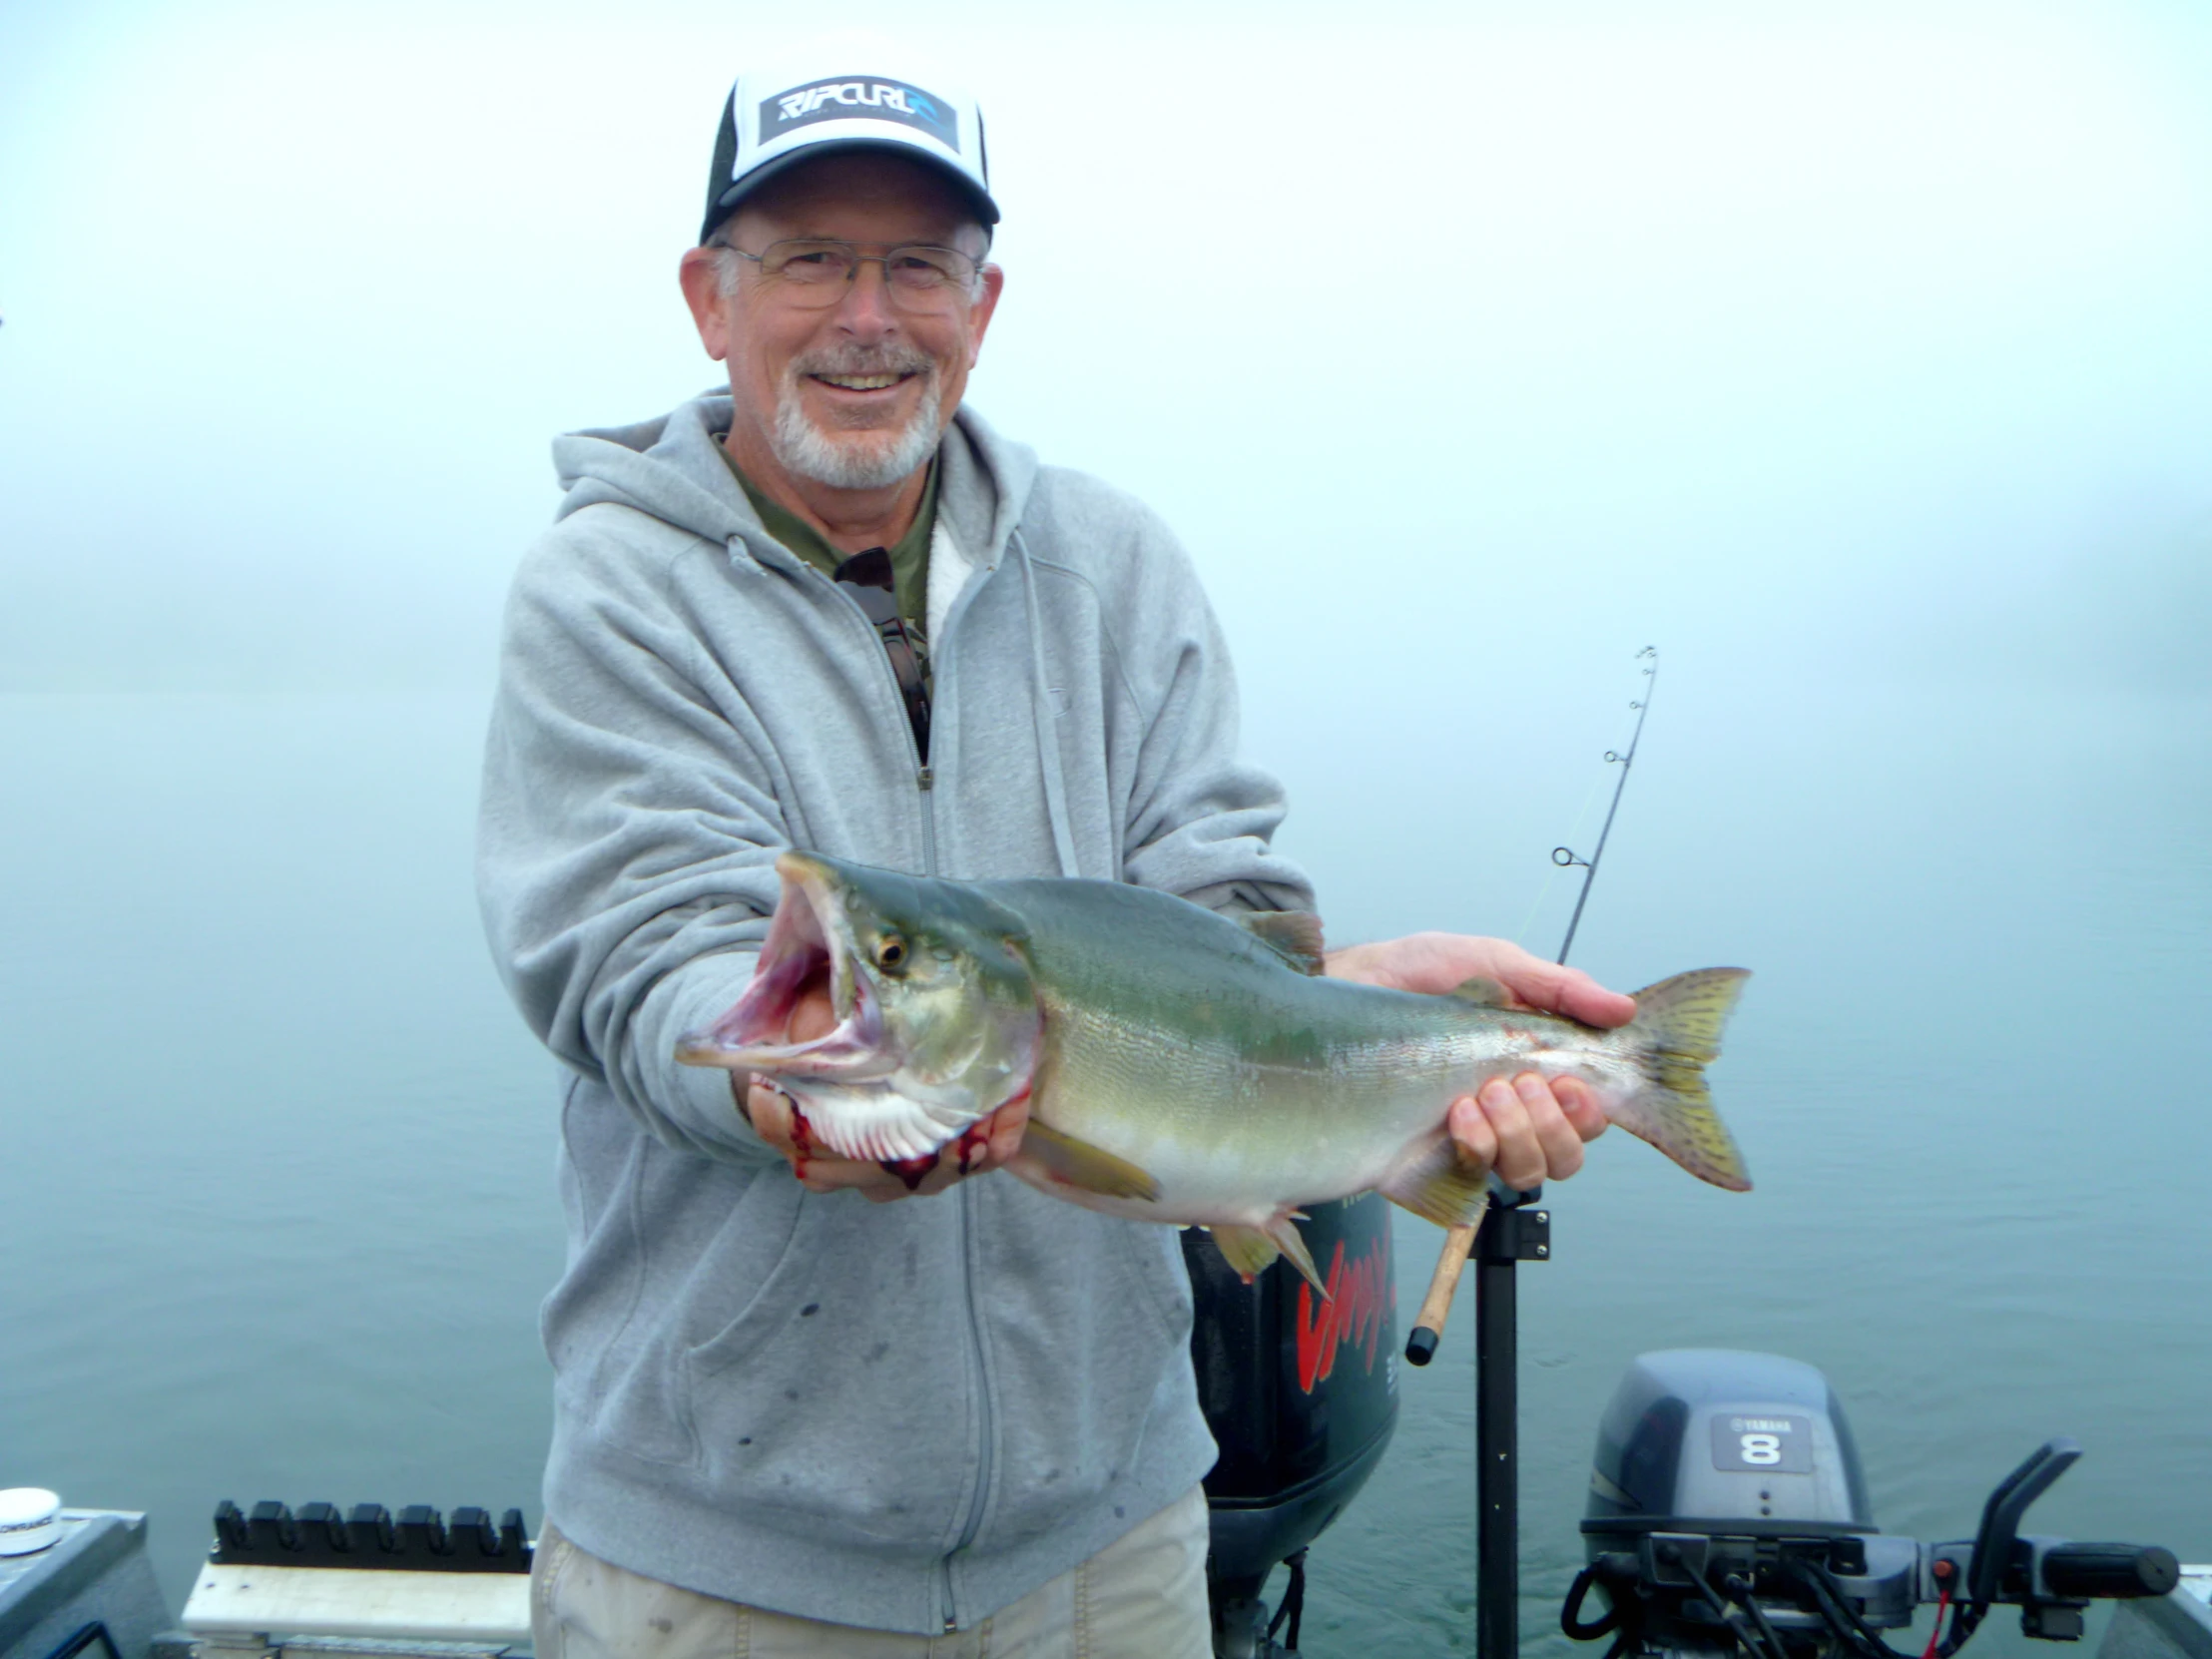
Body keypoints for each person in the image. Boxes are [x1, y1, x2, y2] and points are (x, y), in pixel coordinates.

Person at [477, 50, 1631, 1659]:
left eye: (917, 266)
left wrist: (1353, 1008)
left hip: (1118, 1545)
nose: (867, 315)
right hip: (725, 1564)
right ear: (707, 296)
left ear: (984, 301)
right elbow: (636, 954)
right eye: (810, 258)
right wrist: (789, 1082)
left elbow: (1218, 906)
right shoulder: (607, 595)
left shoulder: (1116, 567)